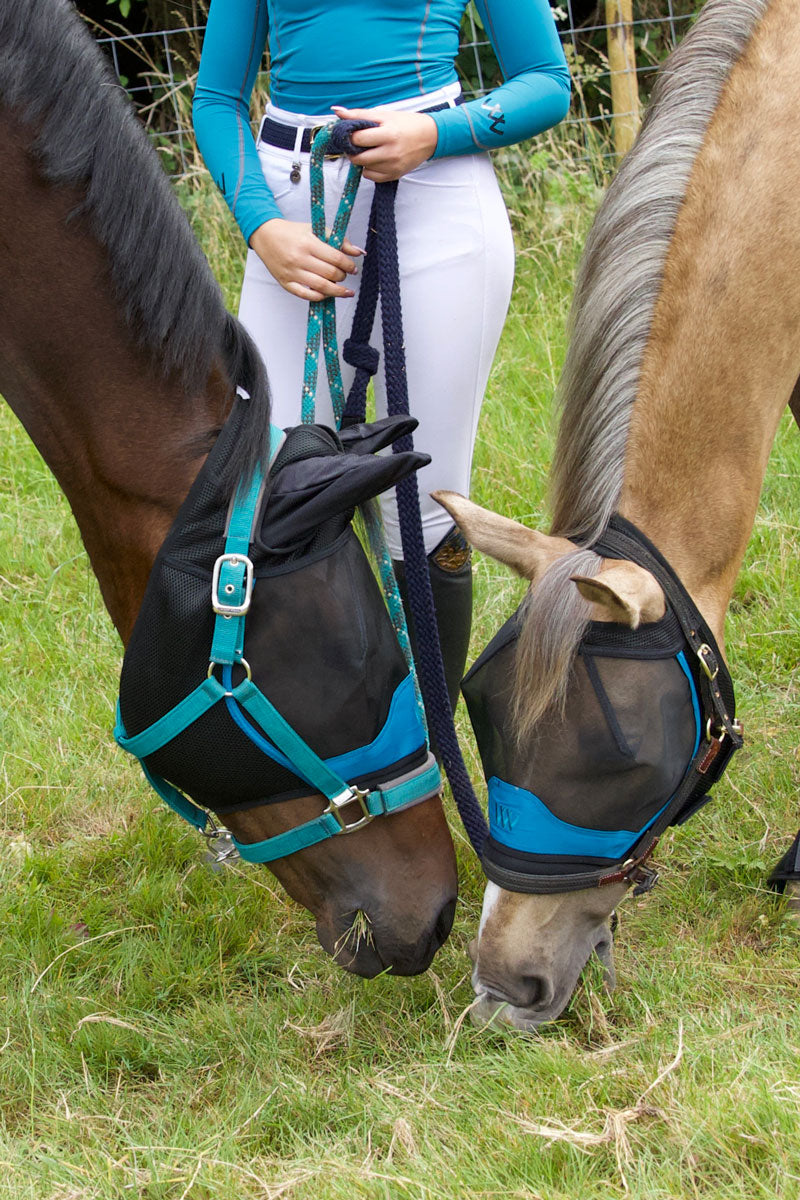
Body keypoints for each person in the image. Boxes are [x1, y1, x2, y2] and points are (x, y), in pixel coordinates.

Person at [193, 1, 570, 709]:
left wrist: (437, 131)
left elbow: (547, 81)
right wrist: (261, 225)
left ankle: (422, 762)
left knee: (421, 505)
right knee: (267, 491)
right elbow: (216, 99)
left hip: (434, 199)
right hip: (287, 206)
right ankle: (299, 755)